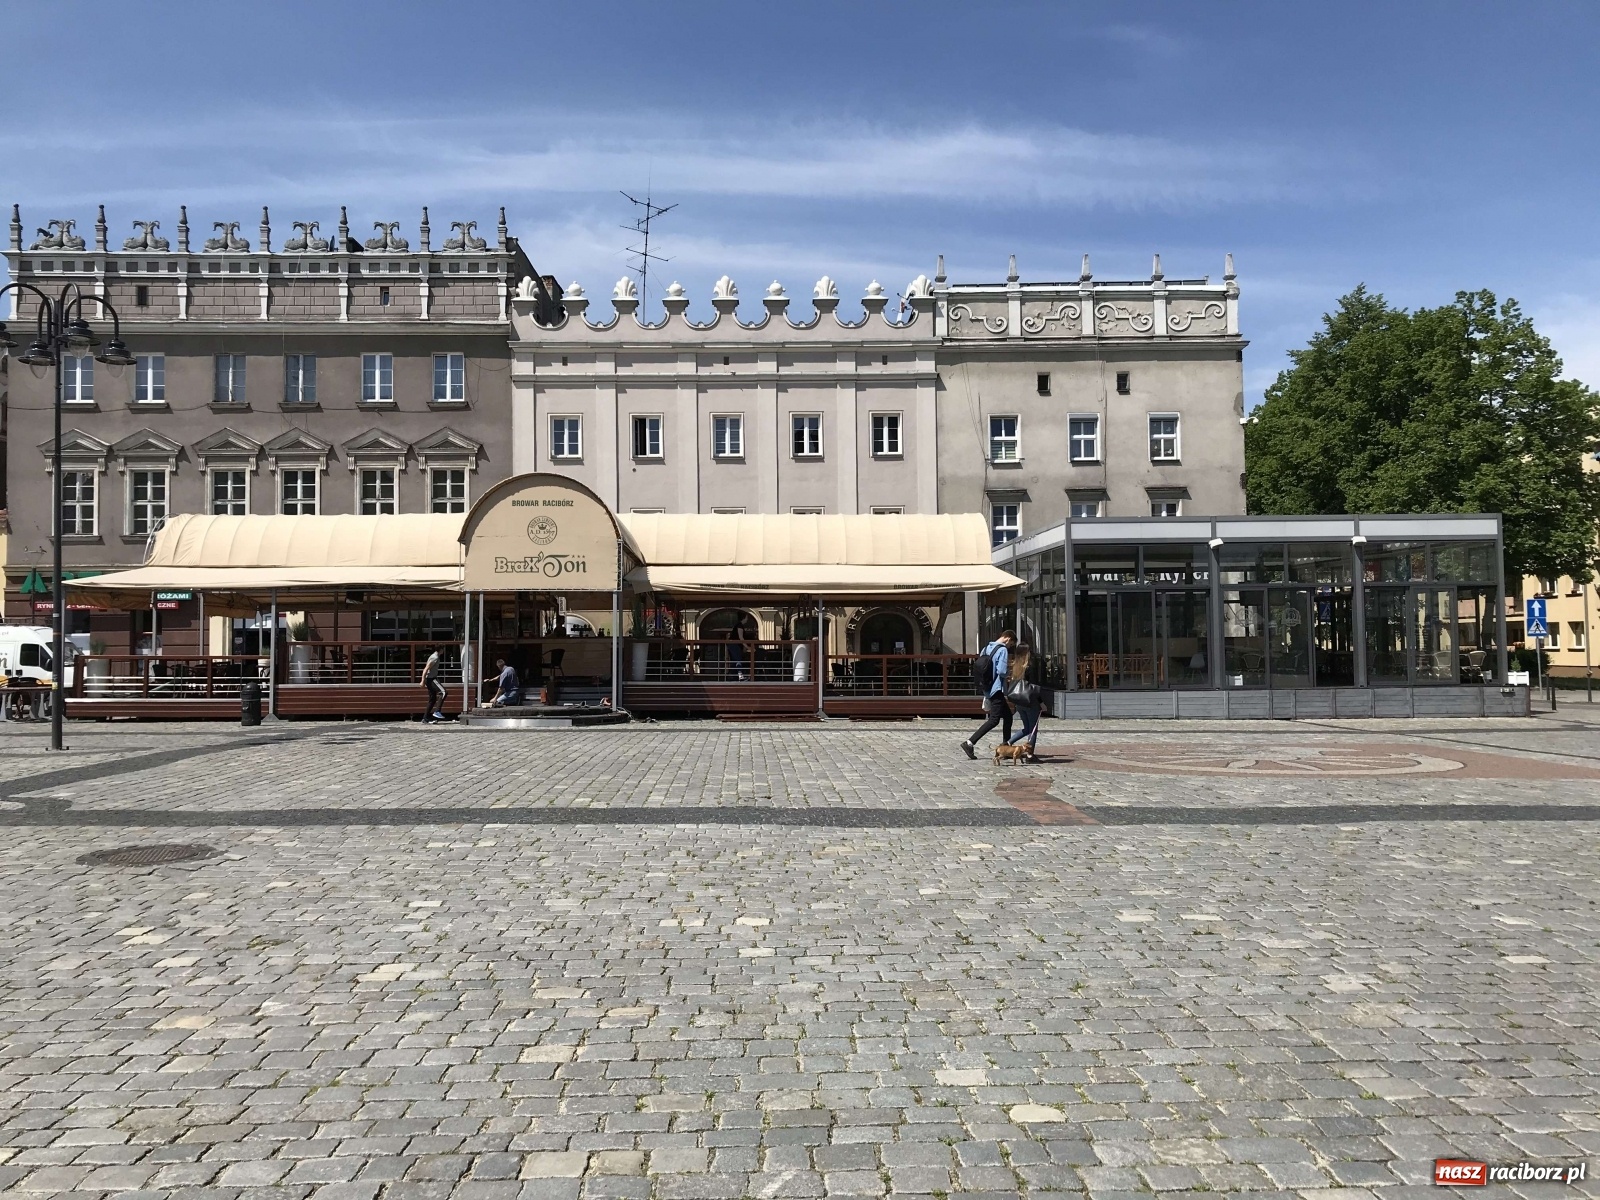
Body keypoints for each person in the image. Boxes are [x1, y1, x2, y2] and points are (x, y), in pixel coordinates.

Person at [960, 629, 1014, 758]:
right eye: (1011, 644)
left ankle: (1006, 746)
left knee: (1008, 716)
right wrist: (1009, 674)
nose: (1009, 646)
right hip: (996, 688)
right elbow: (1001, 671)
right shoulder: (1002, 650)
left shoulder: (985, 648)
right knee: (994, 720)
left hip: (987, 687)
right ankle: (970, 742)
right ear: (1007, 638)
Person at [1004, 642, 1042, 760]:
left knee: (1026, 728)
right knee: (1033, 729)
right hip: (1030, 701)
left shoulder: (1015, 666)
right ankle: (1030, 754)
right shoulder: (1030, 667)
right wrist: (1041, 702)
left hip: (1019, 702)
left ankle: (1008, 744)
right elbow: (1034, 688)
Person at [421, 648, 446, 723]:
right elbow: (426, 668)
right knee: (444, 692)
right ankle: (437, 711)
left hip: (430, 679)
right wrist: (422, 681)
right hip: (432, 679)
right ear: (440, 650)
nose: (443, 651)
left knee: (432, 699)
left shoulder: (435, 656)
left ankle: (425, 718)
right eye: (443, 649)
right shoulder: (434, 657)